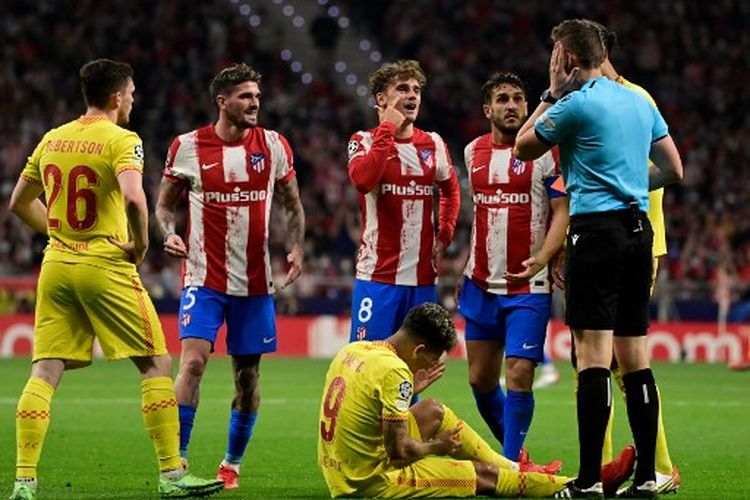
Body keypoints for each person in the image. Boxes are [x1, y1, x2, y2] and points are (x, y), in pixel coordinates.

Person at [7, 59, 223, 500]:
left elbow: (18, 202)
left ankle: (24, 481)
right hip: (105, 263)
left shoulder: (53, 137)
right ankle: (171, 475)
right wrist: (141, 246)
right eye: (131, 93)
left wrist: (60, 234)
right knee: (156, 364)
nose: (133, 99)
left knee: (45, 370)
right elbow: (133, 198)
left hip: (57, 265)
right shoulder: (123, 139)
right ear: (115, 97)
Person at [515, 19, 683, 498]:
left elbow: (524, 148)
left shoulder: (575, 104)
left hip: (596, 233)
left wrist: (549, 92)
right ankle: (650, 476)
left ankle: (589, 481)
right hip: (638, 231)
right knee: (636, 359)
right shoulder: (638, 100)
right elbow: (674, 168)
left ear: (566, 59)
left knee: (592, 359)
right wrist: (629, 182)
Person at [155, 63, 305, 490]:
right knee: (194, 362)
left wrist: (297, 246)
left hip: (255, 284)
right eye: (245, 96)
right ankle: (176, 465)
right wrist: (168, 233)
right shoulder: (186, 147)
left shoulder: (274, 145)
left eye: (257, 96)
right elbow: (164, 207)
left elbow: (293, 205)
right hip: (203, 278)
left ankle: (231, 466)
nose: (255, 103)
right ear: (222, 102)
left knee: (247, 377)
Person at [318, 302, 581, 498]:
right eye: (433, 358)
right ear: (419, 349)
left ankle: (515, 467)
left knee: (433, 410)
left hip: (339, 471)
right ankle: (572, 486)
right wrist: (438, 447)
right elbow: (399, 454)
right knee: (480, 474)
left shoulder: (355, 349)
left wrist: (409, 390)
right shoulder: (393, 370)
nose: (432, 364)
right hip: (367, 484)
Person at [457, 72, 569, 464]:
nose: (511, 106)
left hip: (528, 287)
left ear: (527, 107)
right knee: (479, 380)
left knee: (520, 372)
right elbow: (481, 218)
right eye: (502, 99)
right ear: (487, 109)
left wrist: (545, 255)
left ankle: (507, 466)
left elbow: (562, 211)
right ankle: (519, 459)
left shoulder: (546, 153)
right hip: (481, 284)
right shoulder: (473, 153)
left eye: (518, 99)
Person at [347, 59, 460, 344]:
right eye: (402, 88)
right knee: (368, 362)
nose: (412, 95)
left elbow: (451, 191)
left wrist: (444, 235)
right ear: (381, 99)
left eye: (416, 89)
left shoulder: (433, 143)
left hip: (422, 280)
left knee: (413, 367)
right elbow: (363, 180)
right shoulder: (363, 141)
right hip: (378, 276)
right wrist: (387, 129)